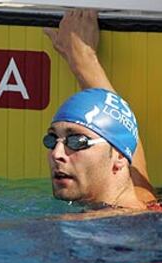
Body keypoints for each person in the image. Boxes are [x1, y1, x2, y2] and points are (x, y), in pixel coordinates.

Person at [43, 9, 157, 212]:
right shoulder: (144, 200)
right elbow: (126, 135)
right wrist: (83, 59)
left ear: (119, 158)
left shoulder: (107, 227)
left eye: (77, 142)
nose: (56, 154)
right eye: (51, 140)